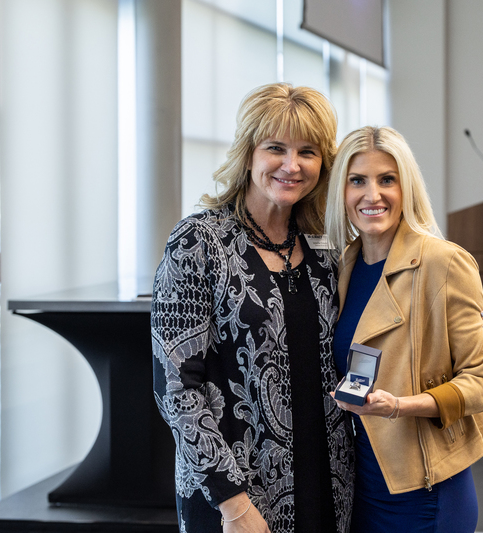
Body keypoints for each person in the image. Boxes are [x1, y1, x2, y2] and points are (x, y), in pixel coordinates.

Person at [151, 83, 352, 533]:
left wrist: (456, 329)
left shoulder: (327, 245)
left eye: (308, 151)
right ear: (248, 154)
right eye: (275, 148)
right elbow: (176, 388)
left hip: (329, 483)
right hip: (234, 495)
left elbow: (380, 316)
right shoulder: (198, 242)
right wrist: (233, 504)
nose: (292, 165)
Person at [327, 125, 483, 533]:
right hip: (363, 483)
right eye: (358, 181)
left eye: (387, 179)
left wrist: (400, 406)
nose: (373, 195)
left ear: (407, 187)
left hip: (426, 489)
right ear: (342, 191)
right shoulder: (344, 266)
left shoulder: (443, 262)